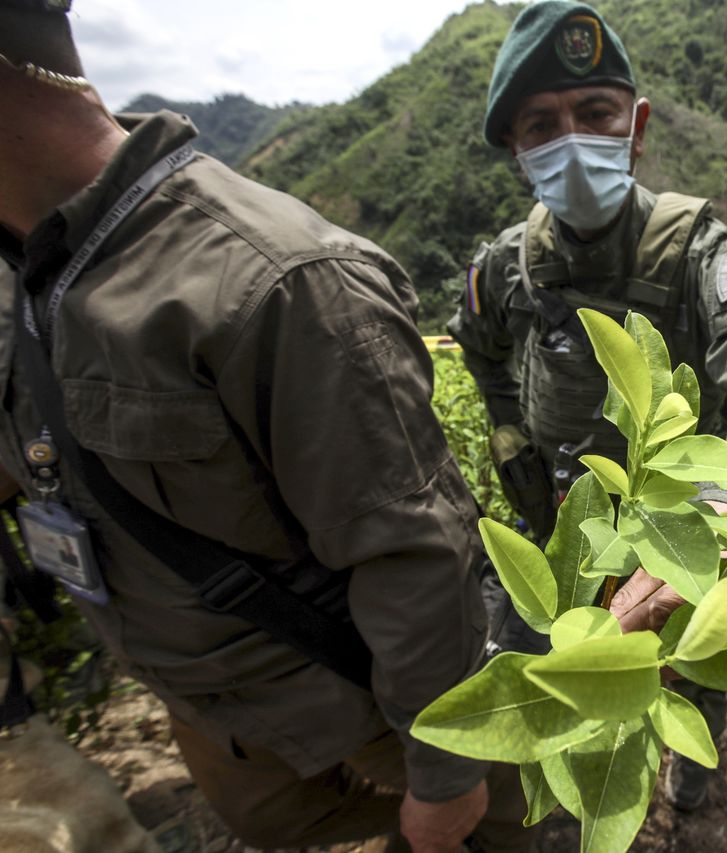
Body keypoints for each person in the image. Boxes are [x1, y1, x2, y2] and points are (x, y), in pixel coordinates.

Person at [0, 2, 526, 850]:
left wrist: (444, 774)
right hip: (209, 701)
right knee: (276, 821)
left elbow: (415, 556)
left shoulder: (279, 282)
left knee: (489, 827)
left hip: (349, 695)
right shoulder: (22, 275)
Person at [448, 0, 727, 812]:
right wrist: (508, 430)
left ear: (633, 128)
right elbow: (475, 342)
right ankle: (574, 802)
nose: (571, 139)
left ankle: (700, 795)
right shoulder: (508, 268)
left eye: (593, 114)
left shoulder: (699, 253)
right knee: (569, 687)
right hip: (560, 534)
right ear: (516, 151)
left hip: (675, 545)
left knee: (694, 679)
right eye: (541, 125)